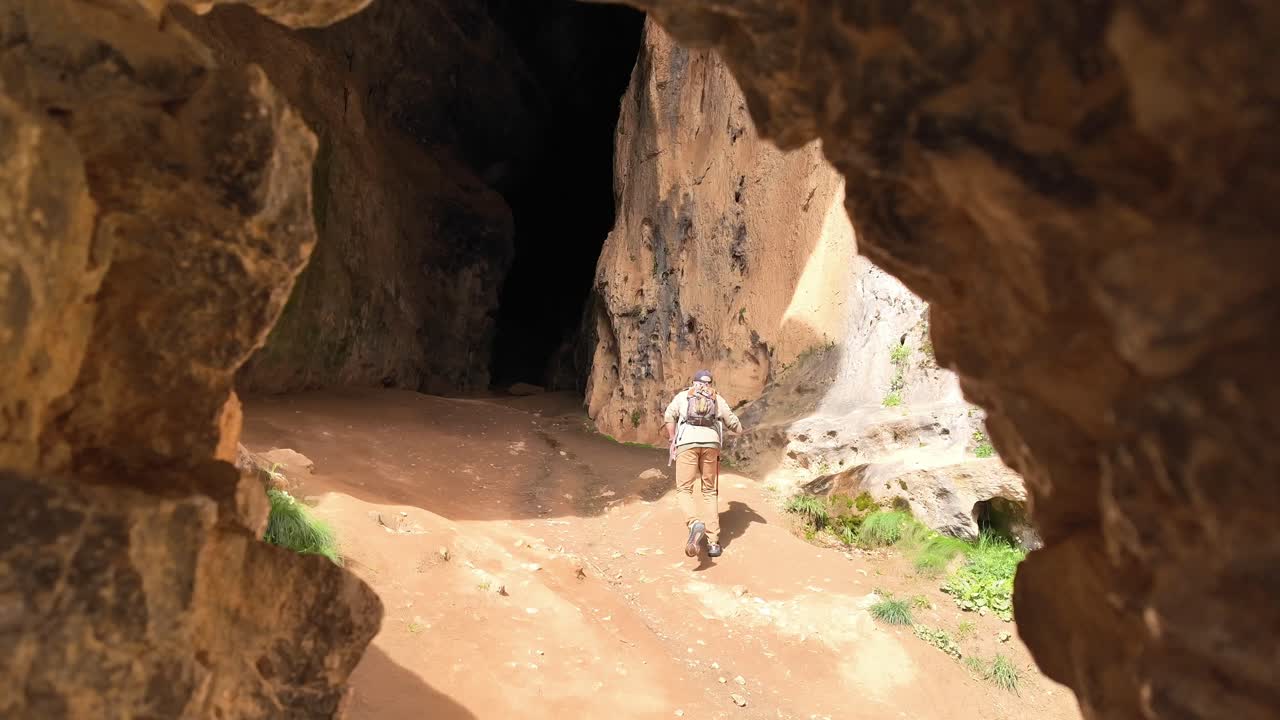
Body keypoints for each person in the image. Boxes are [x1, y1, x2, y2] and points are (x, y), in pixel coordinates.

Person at [663, 369, 743, 558]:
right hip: (711, 445)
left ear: (694, 382)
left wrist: (672, 438)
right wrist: (740, 429)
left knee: (684, 489)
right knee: (709, 491)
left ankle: (694, 523)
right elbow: (734, 424)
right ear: (709, 383)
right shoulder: (716, 398)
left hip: (686, 444)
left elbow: (669, 416)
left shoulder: (684, 396)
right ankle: (713, 543)